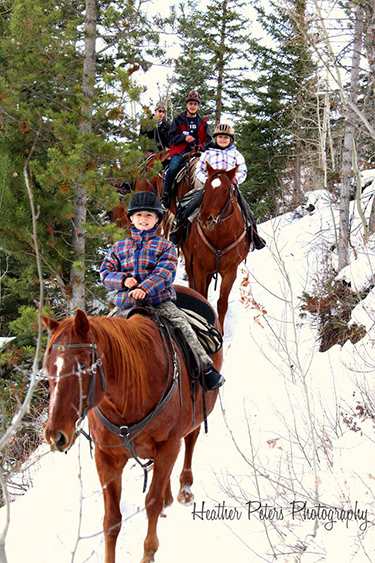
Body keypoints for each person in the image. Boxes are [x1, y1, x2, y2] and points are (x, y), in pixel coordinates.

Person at [100, 191, 224, 391]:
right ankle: (98, 381)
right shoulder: (118, 247)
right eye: (139, 215)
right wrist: (122, 280)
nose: (144, 219)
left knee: (183, 326)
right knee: (102, 334)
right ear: (131, 218)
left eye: (149, 215)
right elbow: (105, 273)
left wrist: (144, 288)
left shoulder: (166, 246)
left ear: (157, 219)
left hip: (159, 302)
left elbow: (164, 273)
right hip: (126, 303)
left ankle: (205, 368)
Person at [170, 123, 266, 250]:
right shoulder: (208, 154)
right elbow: (199, 169)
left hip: (229, 189)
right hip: (211, 189)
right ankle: (179, 229)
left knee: (246, 209)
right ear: (216, 138)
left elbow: (243, 170)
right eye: (220, 137)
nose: (222, 140)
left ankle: (254, 234)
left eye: (226, 138)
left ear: (230, 140)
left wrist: (236, 179)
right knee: (192, 204)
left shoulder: (236, 155)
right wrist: (206, 181)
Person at [161, 90, 212, 209]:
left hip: (198, 151)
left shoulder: (203, 122)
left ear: (198, 106)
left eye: (195, 104)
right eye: (191, 104)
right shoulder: (178, 119)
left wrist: (201, 146)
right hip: (181, 150)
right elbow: (171, 136)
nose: (193, 106)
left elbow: (209, 139)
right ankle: (166, 195)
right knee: (173, 167)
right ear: (187, 105)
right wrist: (184, 138)